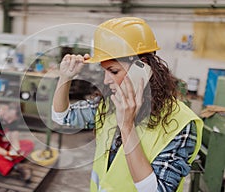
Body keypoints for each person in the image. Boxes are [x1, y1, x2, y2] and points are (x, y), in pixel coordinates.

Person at [52, 17, 203, 192]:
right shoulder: (110, 104)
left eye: (113, 71)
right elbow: (62, 117)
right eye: (104, 71)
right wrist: (65, 77)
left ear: (142, 67)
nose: (106, 80)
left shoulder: (180, 123)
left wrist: (127, 126)